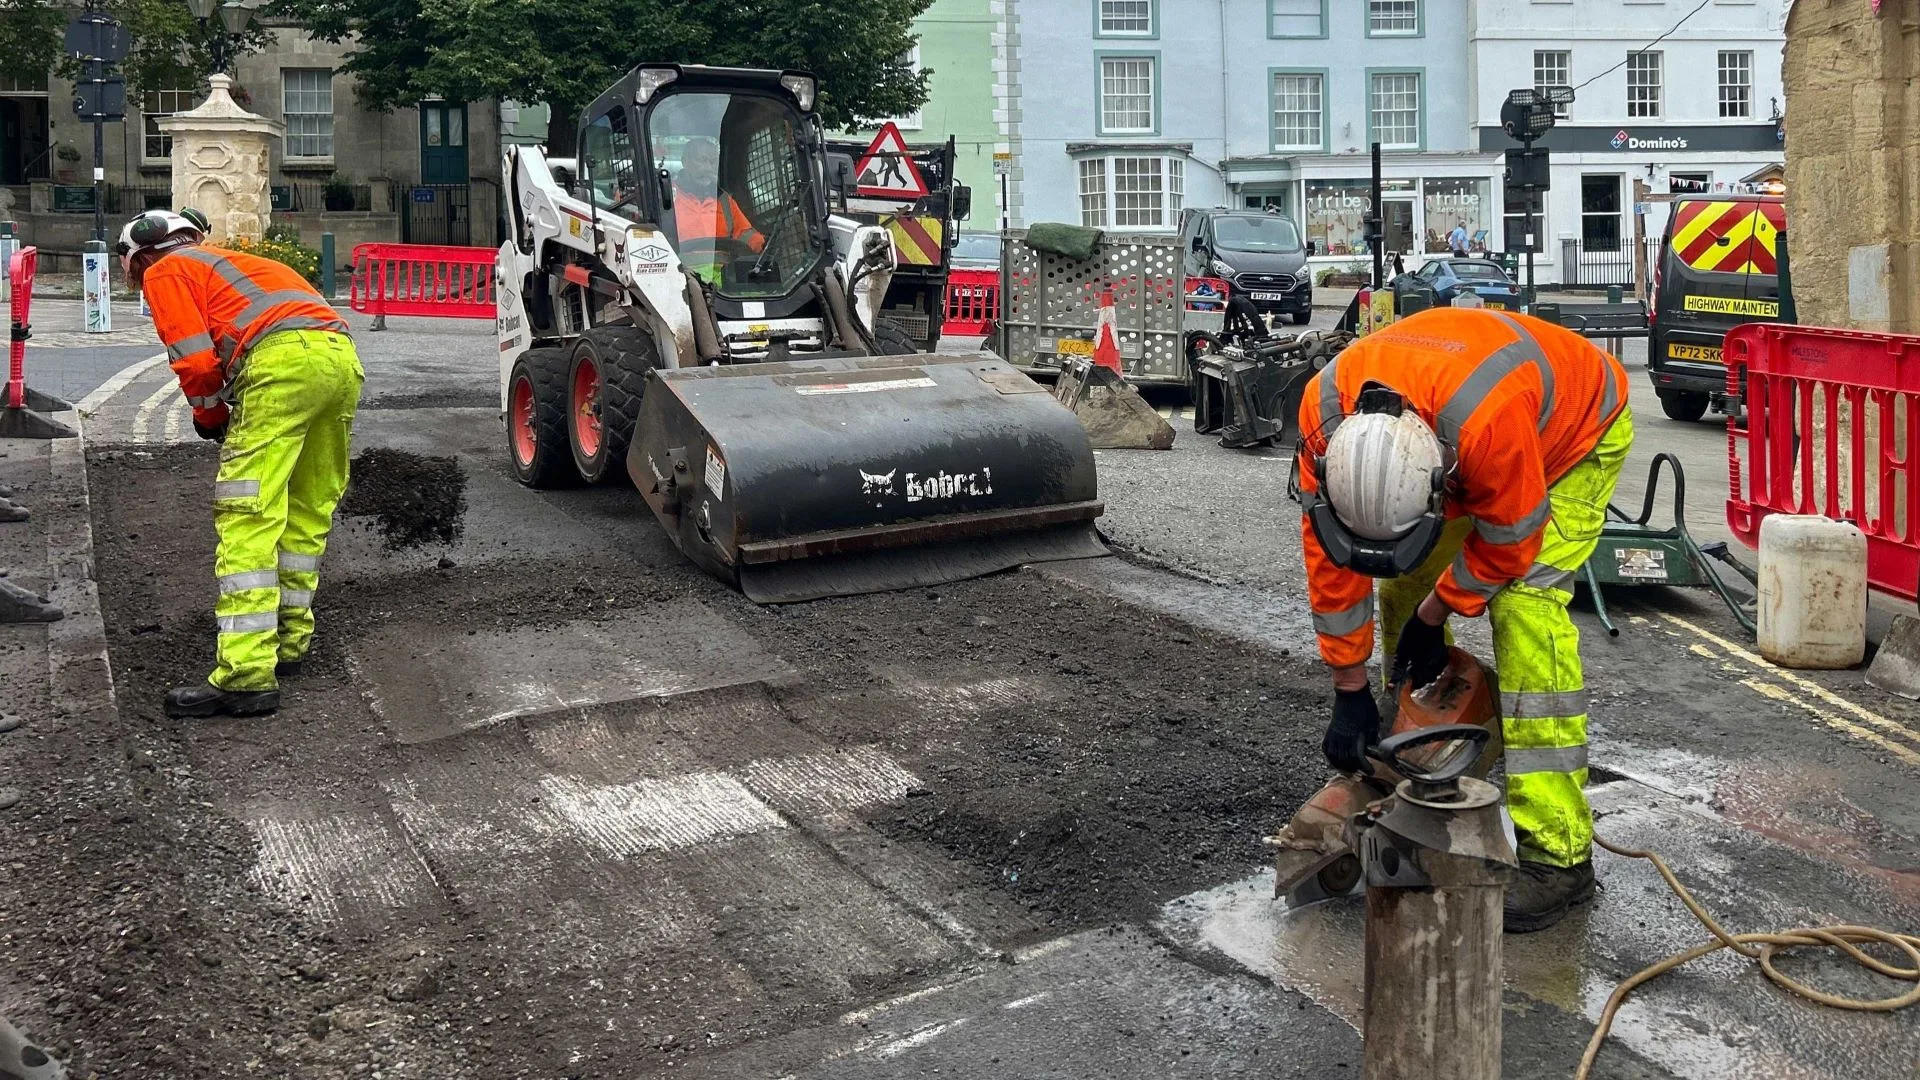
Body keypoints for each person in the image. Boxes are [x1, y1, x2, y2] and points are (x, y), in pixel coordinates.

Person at [1294, 305, 1632, 932]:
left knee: (1525, 607)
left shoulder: (1488, 431)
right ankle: (1425, 759)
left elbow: (1509, 542)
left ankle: (1559, 856)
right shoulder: (1324, 414)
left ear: (1440, 485)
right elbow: (1331, 556)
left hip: (1575, 431)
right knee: (1403, 582)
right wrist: (1349, 688)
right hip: (1459, 415)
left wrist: (1437, 612)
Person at [118, 209, 362, 719]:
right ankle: (289, 646)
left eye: (133, 274)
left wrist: (209, 416)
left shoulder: (165, 269)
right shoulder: (241, 264)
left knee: (248, 513)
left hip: (279, 367)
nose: (140, 286)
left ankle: (246, 675)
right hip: (340, 361)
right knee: (307, 508)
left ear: (141, 255)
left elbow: (196, 361)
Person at [671, 136, 763, 284]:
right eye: (702, 160)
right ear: (685, 162)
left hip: (724, 280)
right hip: (680, 279)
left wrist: (763, 247)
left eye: (713, 162)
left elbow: (744, 233)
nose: (708, 168)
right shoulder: (668, 198)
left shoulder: (724, 201)